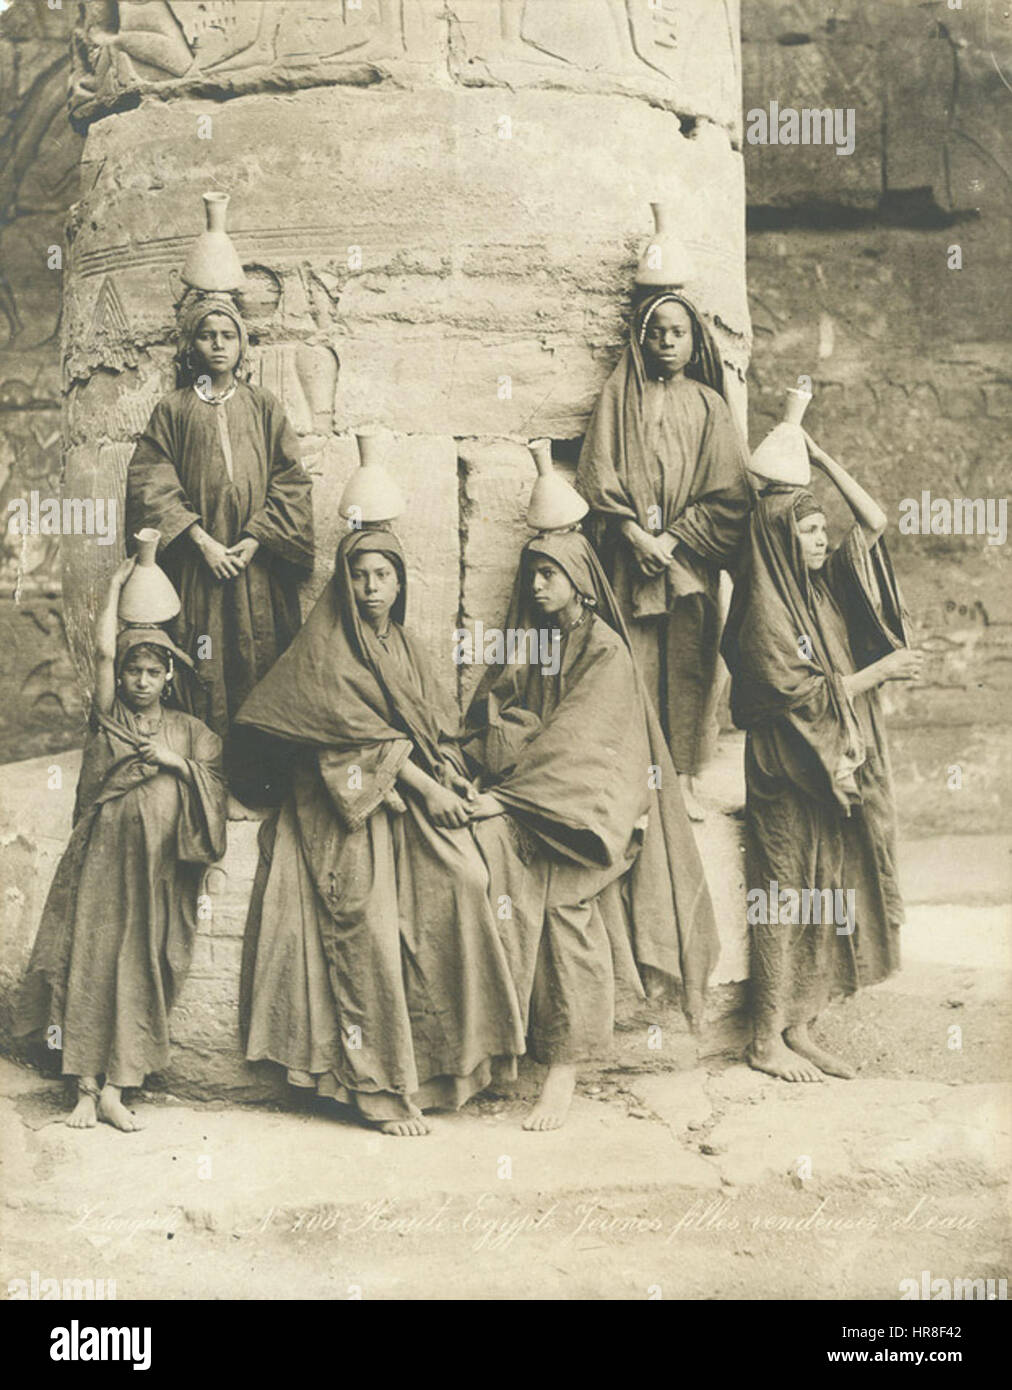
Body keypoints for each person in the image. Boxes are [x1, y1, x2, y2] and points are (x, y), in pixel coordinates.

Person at [234, 527, 525, 1137]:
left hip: (407, 789)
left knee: (466, 880)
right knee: (365, 915)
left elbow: (430, 732)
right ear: (346, 580)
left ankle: (452, 1068)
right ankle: (377, 1090)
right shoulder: (328, 647)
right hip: (341, 797)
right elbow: (338, 742)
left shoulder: (408, 647)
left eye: (383, 576)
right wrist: (421, 790)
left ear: (400, 581)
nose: (371, 589)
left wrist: (453, 782)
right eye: (360, 576)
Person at [464, 527, 719, 1131]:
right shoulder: (538, 640)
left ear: (580, 580)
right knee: (491, 875)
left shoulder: (604, 650)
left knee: (564, 904)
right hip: (539, 803)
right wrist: (496, 758)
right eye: (532, 574)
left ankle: (565, 1067)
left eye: (548, 574)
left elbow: (583, 745)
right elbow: (498, 709)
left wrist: (508, 794)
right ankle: (497, 1047)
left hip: (599, 813)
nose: (536, 585)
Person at [721, 434, 922, 1083]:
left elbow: (874, 522)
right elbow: (790, 694)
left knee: (823, 888)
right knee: (781, 896)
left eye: (819, 531)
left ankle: (800, 1022)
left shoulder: (822, 586)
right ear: (780, 538)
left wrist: (822, 458)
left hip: (828, 764)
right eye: (806, 532)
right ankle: (762, 1038)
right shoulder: (764, 613)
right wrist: (879, 672)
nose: (819, 541)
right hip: (785, 770)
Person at [14, 559, 227, 1130]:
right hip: (102, 868)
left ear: (168, 678)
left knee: (140, 971)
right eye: (134, 669)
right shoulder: (109, 719)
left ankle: (118, 1088)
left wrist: (174, 763)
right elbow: (102, 655)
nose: (139, 680)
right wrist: (111, 587)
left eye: (152, 671)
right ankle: (83, 1088)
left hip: (157, 875)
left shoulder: (187, 731)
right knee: (90, 965)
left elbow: (217, 783)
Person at [575, 290, 753, 819]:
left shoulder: (708, 404)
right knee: (633, 664)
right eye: (658, 333)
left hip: (687, 562)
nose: (668, 342)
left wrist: (672, 540)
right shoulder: (619, 397)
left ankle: (683, 781)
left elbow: (730, 491)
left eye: (679, 333)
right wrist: (634, 535)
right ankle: (637, 782)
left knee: (689, 665)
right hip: (629, 563)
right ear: (642, 338)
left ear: (695, 341)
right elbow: (596, 476)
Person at [125, 295, 314, 782]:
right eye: (208, 335)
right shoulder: (173, 409)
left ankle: (261, 779)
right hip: (199, 567)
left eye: (228, 336)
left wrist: (254, 540)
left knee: (260, 660)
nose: (218, 345)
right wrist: (202, 543)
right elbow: (151, 482)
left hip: (257, 570)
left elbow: (290, 482)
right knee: (204, 661)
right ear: (193, 344)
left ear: (242, 344)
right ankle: (204, 780)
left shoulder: (264, 407)